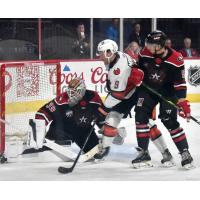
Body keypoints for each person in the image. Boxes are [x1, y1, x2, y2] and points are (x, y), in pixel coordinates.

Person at [94, 39, 174, 167]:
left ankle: (165, 153)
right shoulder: (117, 55)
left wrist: (102, 110)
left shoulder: (119, 69)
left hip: (137, 93)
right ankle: (104, 148)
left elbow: (118, 95)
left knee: (147, 123)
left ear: (110, 52)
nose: (100, 56)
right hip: (127, 91)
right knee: (112, 119)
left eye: (101, 53)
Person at [132, 30, 194, 169]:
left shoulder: (176, 59)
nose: (147, 46)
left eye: (150, 44)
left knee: (168, 119)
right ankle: (143, 152)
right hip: (148, 89)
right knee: (140, 115)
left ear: (160, 45)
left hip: (168, 92)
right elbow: (138, 69)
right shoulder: (144, 53)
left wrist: (182, 101)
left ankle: (185, 153)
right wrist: (136, 73)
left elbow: (180, 83)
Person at [28, 77, 103, 155]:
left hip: (84, 131)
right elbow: (43, 113)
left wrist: (104, 127)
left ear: (82, 90)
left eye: (75, 92)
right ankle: (50, 143)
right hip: (63, 130)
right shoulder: (62, 99)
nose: (71, 94)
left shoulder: (93, 97)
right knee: (50, 150)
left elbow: (102, 114)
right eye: (70, 92)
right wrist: (38, 131)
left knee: (96, 151)